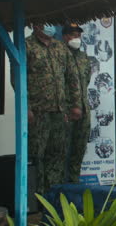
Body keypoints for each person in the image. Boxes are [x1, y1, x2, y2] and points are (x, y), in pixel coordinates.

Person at [23, 24, 82, 194]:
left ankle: (52, 195)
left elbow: (72, 76)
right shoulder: (27, 45)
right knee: (36, 154)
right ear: (35, 25)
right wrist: (26, 107)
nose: (49, 26)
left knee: (57, 154)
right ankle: (37, 196)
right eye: (45, 22)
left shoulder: (60, 47)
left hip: (59, 110)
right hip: (38, 111)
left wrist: (76, 104)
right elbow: (18, 78)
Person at [62, 24, 91, 183]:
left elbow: (86, 80)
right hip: (65, 109)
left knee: (79, 148)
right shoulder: (59, 54)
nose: (76, 39)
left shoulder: (83, 56)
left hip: (84, 108)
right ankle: (58, 186)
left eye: (78, 35)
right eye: (73, 35)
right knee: (60, 150)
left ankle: (74, 182)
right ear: (65, 36)